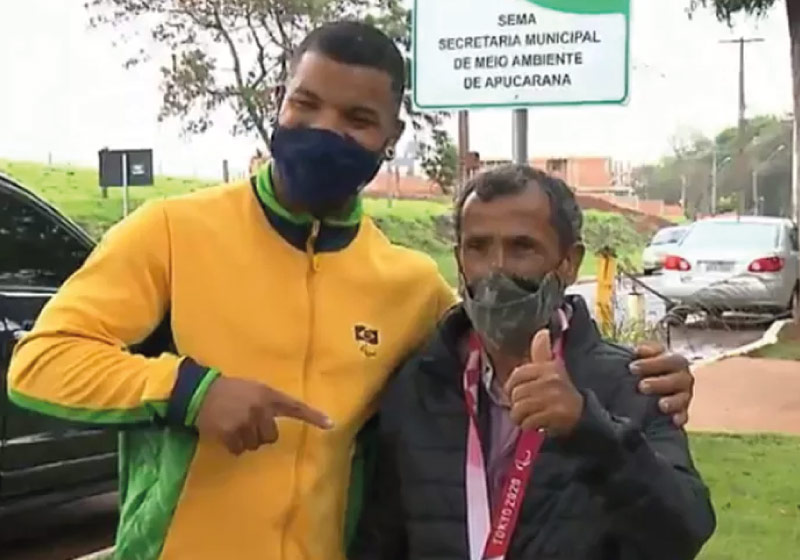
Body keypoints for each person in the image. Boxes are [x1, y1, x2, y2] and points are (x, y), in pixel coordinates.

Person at [8, 22, 695, 560]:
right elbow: (40, 363)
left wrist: (644, 379)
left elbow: (502, 343)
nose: (324, 131)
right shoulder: (169, 233)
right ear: (279, 101)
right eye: (305, 104)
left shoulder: (410, 286)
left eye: (357, 119)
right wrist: (188, 392)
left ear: (391, 137)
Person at [350, 165, 715, 560]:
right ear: (458, 259)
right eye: (478, 247)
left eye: (522, 247)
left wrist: (588, 428)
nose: (496, 269)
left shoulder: (634, 384)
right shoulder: (418, 386)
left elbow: (682, 535)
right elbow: (380, 541)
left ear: (569, 262)